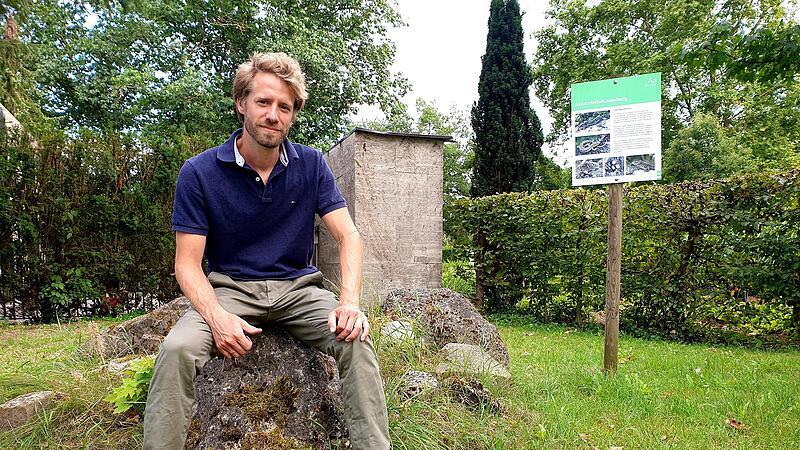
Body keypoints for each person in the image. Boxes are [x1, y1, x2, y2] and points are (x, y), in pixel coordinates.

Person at [143, 52, 390, 450]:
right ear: (242, 103)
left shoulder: (311, 164)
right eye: (263, 102)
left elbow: (349, 236)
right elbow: (187, 265)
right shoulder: (199, 172)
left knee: (356, 341)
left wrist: (350, 301)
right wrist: (216, 317)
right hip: (231, 291)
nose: (273, 115)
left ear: (292, 115)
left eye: (284, 107)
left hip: (299, 291)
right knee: (176, 349)